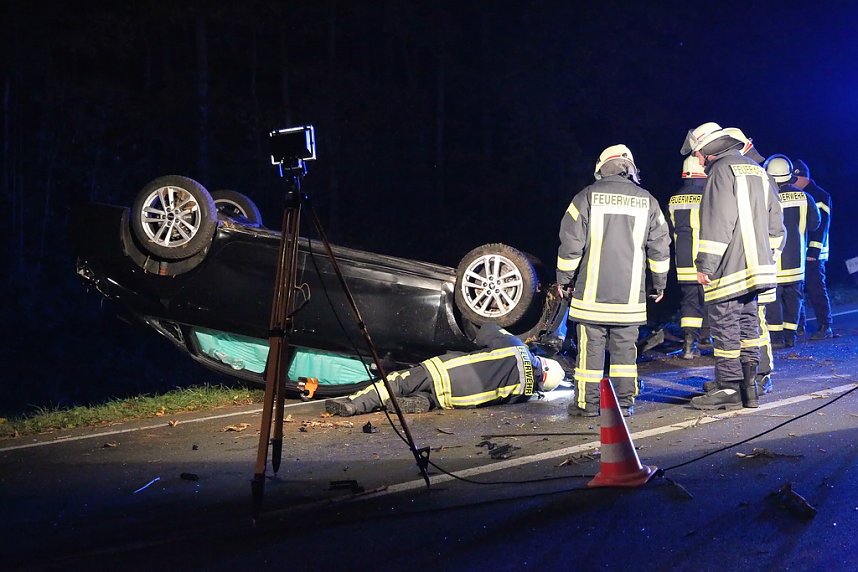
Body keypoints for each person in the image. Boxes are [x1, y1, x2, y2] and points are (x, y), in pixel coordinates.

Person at [556, 144, 670, 417]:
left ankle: (587, 404)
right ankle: (624, 404)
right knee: (625, 354)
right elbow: (660, 246)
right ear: (630, 169)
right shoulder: (648, 201)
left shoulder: (585, 197)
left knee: (590, 352)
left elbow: (571, 244)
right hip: (629, 298)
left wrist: (564, 279)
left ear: (601, 167)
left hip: (591, 296)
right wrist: (659, 283)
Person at [680, 123, 784, 411]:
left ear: (709, 150)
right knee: (749, 327)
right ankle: (749, 388)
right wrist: (768, 257)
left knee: (725, 327)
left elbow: (718, 221)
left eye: (697, 152)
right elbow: (777, 223)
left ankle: (728, 387)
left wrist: (706, 264)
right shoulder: (758, 170)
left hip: (729, 269)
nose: (696, 158)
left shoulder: (721, 172)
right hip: (758, 269)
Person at [324, 322, 565, 416]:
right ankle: (423, 401)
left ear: (544, 363)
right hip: (456, 399)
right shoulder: (524, 394)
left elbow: (486, 329)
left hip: (446, 370)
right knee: (432, 395)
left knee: (397, 381)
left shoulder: (518, 348)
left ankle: (354, 404)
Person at [763, 154, 821, 349]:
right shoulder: (805, 197)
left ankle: (776, 337)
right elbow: (814, 224)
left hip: (772, 258)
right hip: (797, 261)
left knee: (773, 299)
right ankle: (790, 336)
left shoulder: (764, 197)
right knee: (794, 298)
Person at [667, 155, 709, 359]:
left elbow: (669, 229)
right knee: (712, 300)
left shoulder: (674, 198)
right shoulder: (710, 195)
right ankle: (711, 341)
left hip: (683, 260)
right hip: (707, 259)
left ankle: (689, 346)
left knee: (689, 302)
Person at [793, 159, 833, 340]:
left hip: (813, 253)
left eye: (794, 180)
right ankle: (798, 326)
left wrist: (813, 252)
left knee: (816, 288)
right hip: (798, 251)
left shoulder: (819, 195)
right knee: (796, 290)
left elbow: (822, 225)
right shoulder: (797, 194)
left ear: (803, 177)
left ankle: (825, 325)